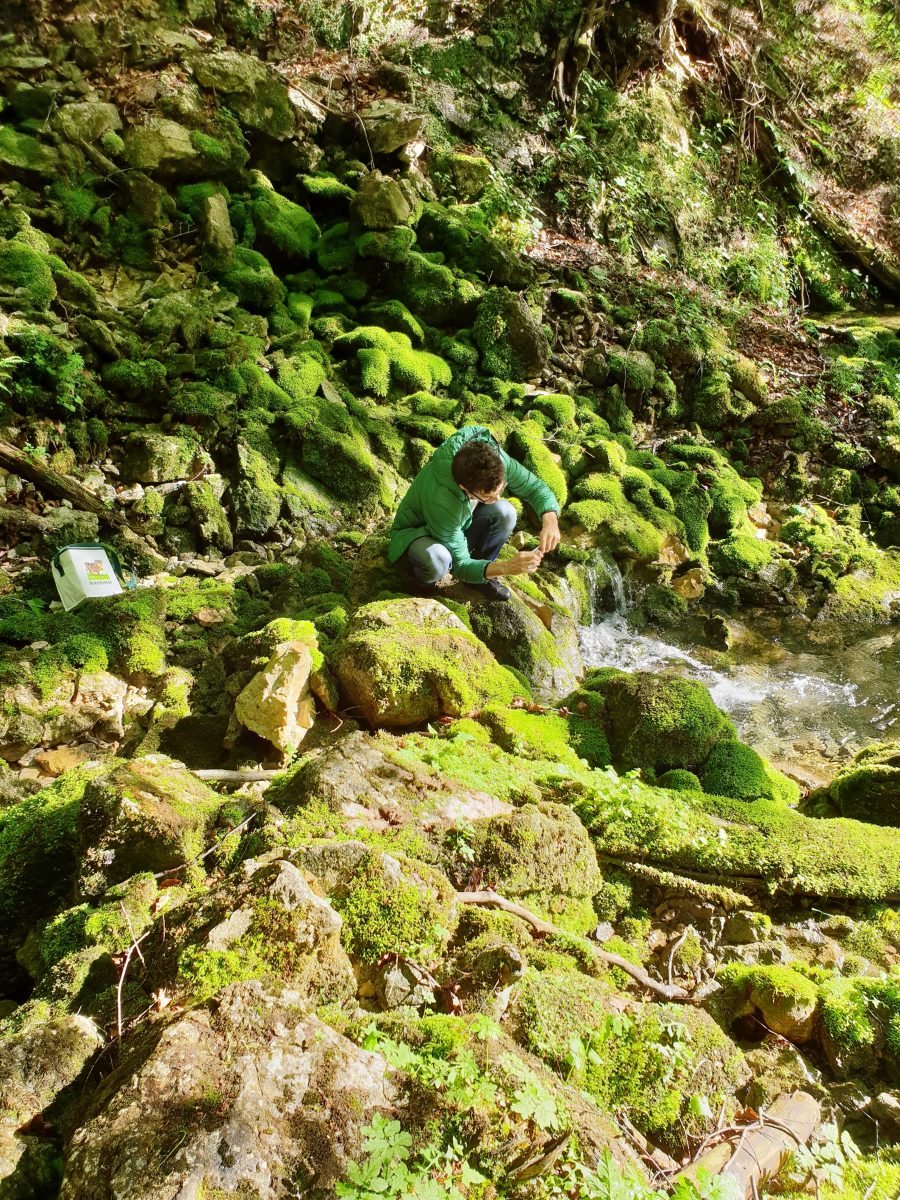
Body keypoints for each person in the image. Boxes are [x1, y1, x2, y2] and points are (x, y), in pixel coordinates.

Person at [388, 424, 561, 601]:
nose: (496, 499)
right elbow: (460, 565)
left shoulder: (494, 459)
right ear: (465, 488)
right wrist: (506, 568)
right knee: (438, 560)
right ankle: (421, 584)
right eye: (487, 497)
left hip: (457, 525)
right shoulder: (443, 499)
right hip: (419, 535)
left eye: (500, 490)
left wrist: (550, 519)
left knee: (506, 512)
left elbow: (534, 488)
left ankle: (479, 579)